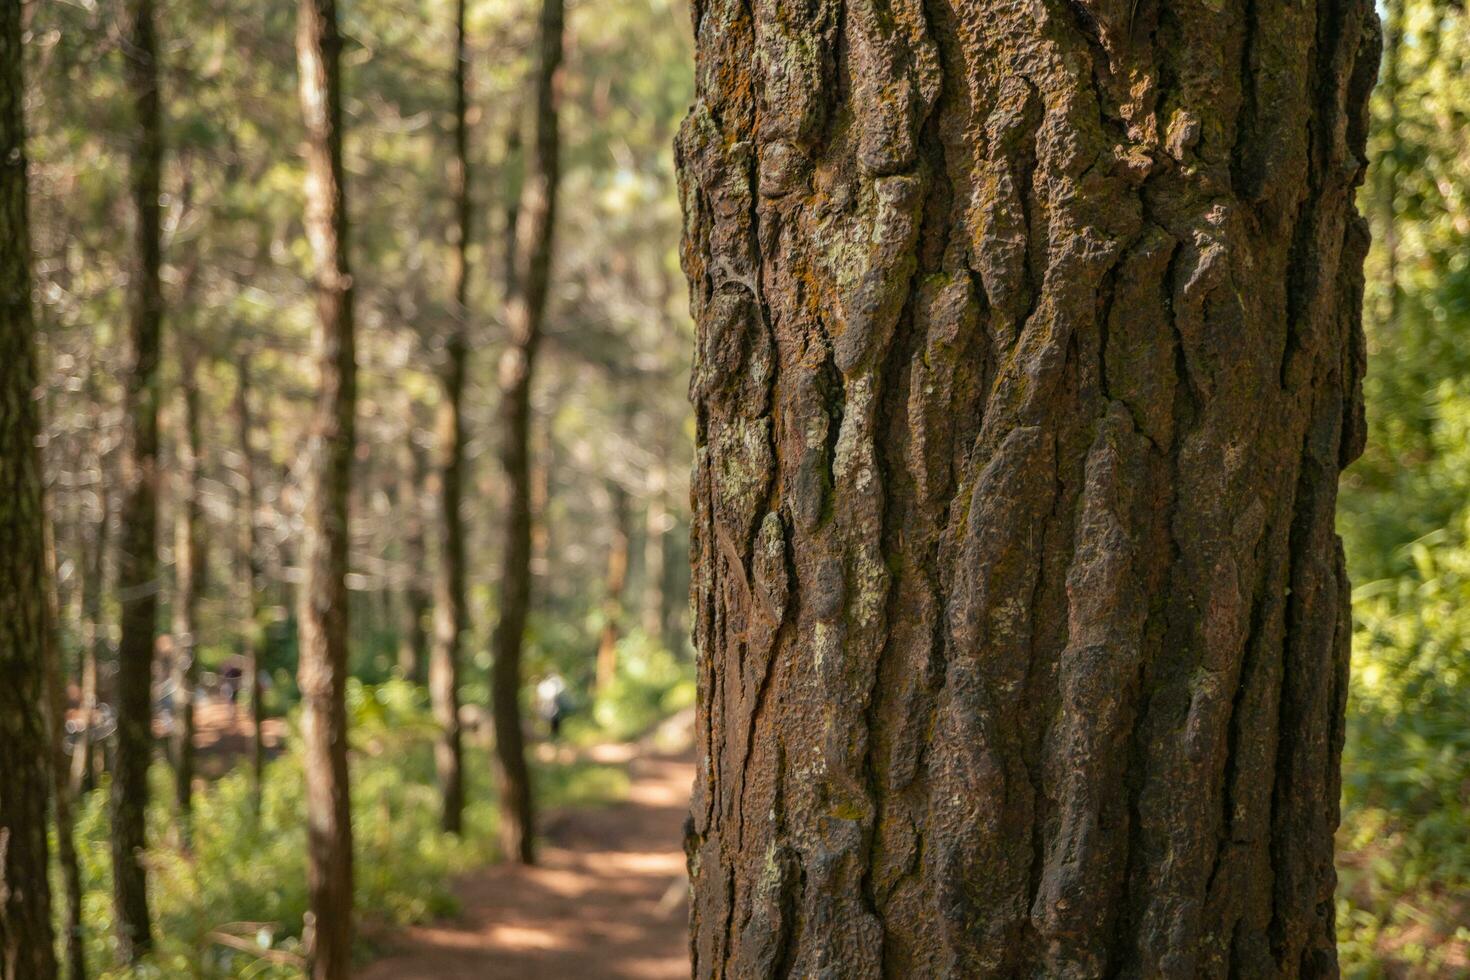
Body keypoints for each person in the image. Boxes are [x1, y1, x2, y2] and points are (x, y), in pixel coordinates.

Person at [535, 672, 568, 739]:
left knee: (554, 721)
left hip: (552, 706)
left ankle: (554, 735)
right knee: (548, 720)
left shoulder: (551, 685)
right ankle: (549, 735)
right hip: (548, 706)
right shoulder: (545, 685)